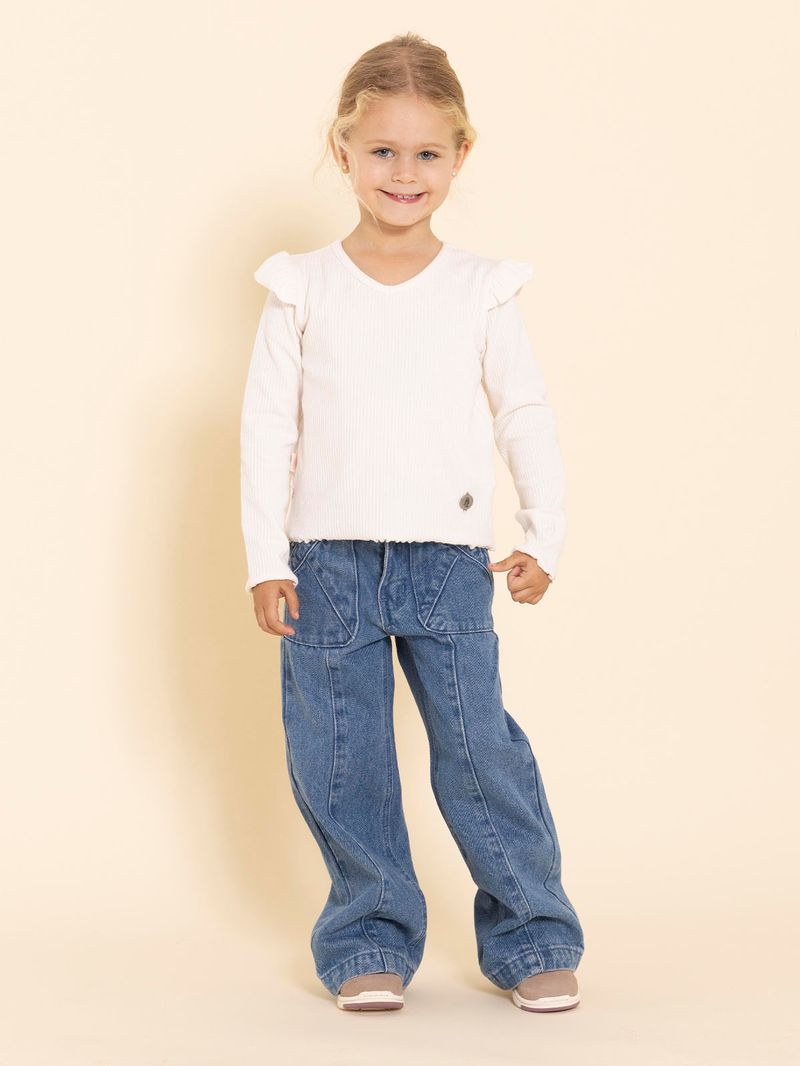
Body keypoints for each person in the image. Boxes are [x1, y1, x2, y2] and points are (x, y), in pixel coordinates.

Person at [240, 31, 585, 1014]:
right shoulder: (300, 286)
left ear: (460, 154)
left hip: (447, 562)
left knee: (478, 750)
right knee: (340, 756)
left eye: (426, 152)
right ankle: (368, 936)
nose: (403, 172)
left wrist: (542, 534)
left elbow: (523, 412)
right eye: (382, 150)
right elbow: (267, 430)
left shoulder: (481, 288)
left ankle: (530, 933)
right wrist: (266, 558)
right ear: (342, 150)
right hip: (324, 565)